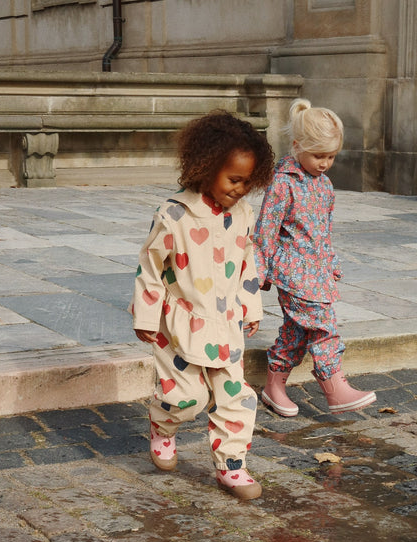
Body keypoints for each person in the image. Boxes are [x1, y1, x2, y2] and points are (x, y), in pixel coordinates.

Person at [130, 111, 274, 500]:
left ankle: (232, 467)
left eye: (248, 182)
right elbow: (150, 266)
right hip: (178, 325)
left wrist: (251, 306)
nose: (241, 189)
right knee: (185, 397)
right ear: (206, 167)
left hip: (225, 323)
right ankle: (163, 424)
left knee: (237, 397)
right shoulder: (174, 214)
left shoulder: (242, 214)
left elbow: (247, 263)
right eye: (233, 179)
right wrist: (146, 314)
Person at [254, 98, 376, 417]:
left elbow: (323, 231)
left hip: (317, 272)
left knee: (296, 334)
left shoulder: (325, 186)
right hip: (292, 272)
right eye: (318, 155)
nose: (324, 163)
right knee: (323, 326)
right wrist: (259, 271)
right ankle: (335, 388)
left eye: (331, 156)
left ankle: (273, 386)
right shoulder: (283, 184)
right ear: (297, 147)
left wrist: (331, 262)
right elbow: (265, 229)